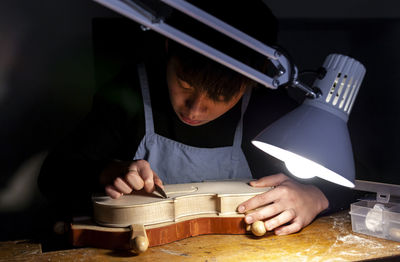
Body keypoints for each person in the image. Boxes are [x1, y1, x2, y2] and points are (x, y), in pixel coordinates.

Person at [38, 0, 352, 236]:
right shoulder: (129, 94)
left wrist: (315, 196)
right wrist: (107, 172)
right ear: (168, 47)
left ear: (251, 81)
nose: (194, 109)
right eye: (184, 84)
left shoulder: (265, 106)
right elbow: (54, 176)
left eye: (219, 96)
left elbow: (355, 181)